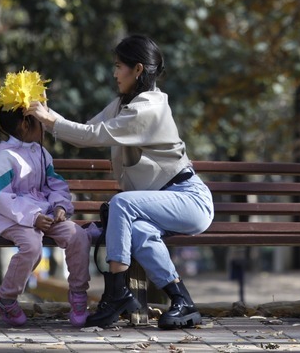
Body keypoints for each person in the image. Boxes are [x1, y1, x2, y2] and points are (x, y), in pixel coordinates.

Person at [26, 34, 214, 330]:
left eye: (118, 66)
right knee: (138, 232)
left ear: (137, 69)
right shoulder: (123, 105)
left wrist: (49, 120)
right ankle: (183, 301)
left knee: (121, 204)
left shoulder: (149, 109)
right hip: (158, 205)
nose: (114, 73)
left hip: (188, 199)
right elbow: (87, 130)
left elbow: (92, 136)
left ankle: (116, 294)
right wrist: (48, 115)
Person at [0, 69, 91, 327]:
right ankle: (6, 298)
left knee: (79, 236)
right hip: (14, 218)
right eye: (41, 117)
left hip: (45, 214)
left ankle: (78, 295)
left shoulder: (41, 153)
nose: (46, 122)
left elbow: (55, 184)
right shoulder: (4, 157)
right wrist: (33, 217)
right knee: (32, 248)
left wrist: (61, 206)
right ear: (25, 124)